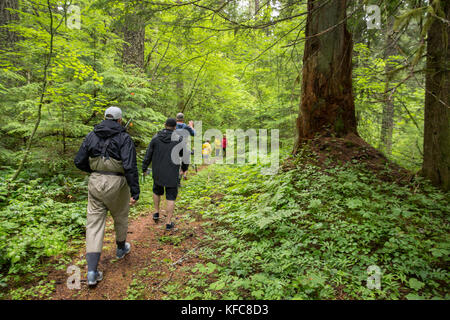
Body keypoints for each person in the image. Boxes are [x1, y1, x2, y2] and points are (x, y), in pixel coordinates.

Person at [74, 106, 140, 286]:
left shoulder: (91, 135)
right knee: (120, 216)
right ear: (119, 120)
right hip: (117, 183)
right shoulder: (124, 138)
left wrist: (94, 171)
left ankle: (92, 272)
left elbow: (79, 161)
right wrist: (135, 190)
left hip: (95, 182)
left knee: (94, 224)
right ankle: (120, 249)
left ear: (104, 117)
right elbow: (129, 166)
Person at [142, 118, 184, 231]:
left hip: (158, 171)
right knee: (170, 196)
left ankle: (156, 212)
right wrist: (184, 169)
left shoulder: (156, 137)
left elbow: (148, 154)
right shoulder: (179, 139)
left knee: (157, 191)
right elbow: (184, 156)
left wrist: (144, 167)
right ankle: (168, 223)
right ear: (175, 127)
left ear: (165, 125)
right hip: (172, 172)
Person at [175, 113, 195, 181]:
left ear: (176, 118)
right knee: (185, 164)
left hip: (173, 147)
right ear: (183, 119)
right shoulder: (186, 126)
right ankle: (180, 178)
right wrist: (191, 126)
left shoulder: (173, 125)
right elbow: (194, 134)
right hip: (184, 147)